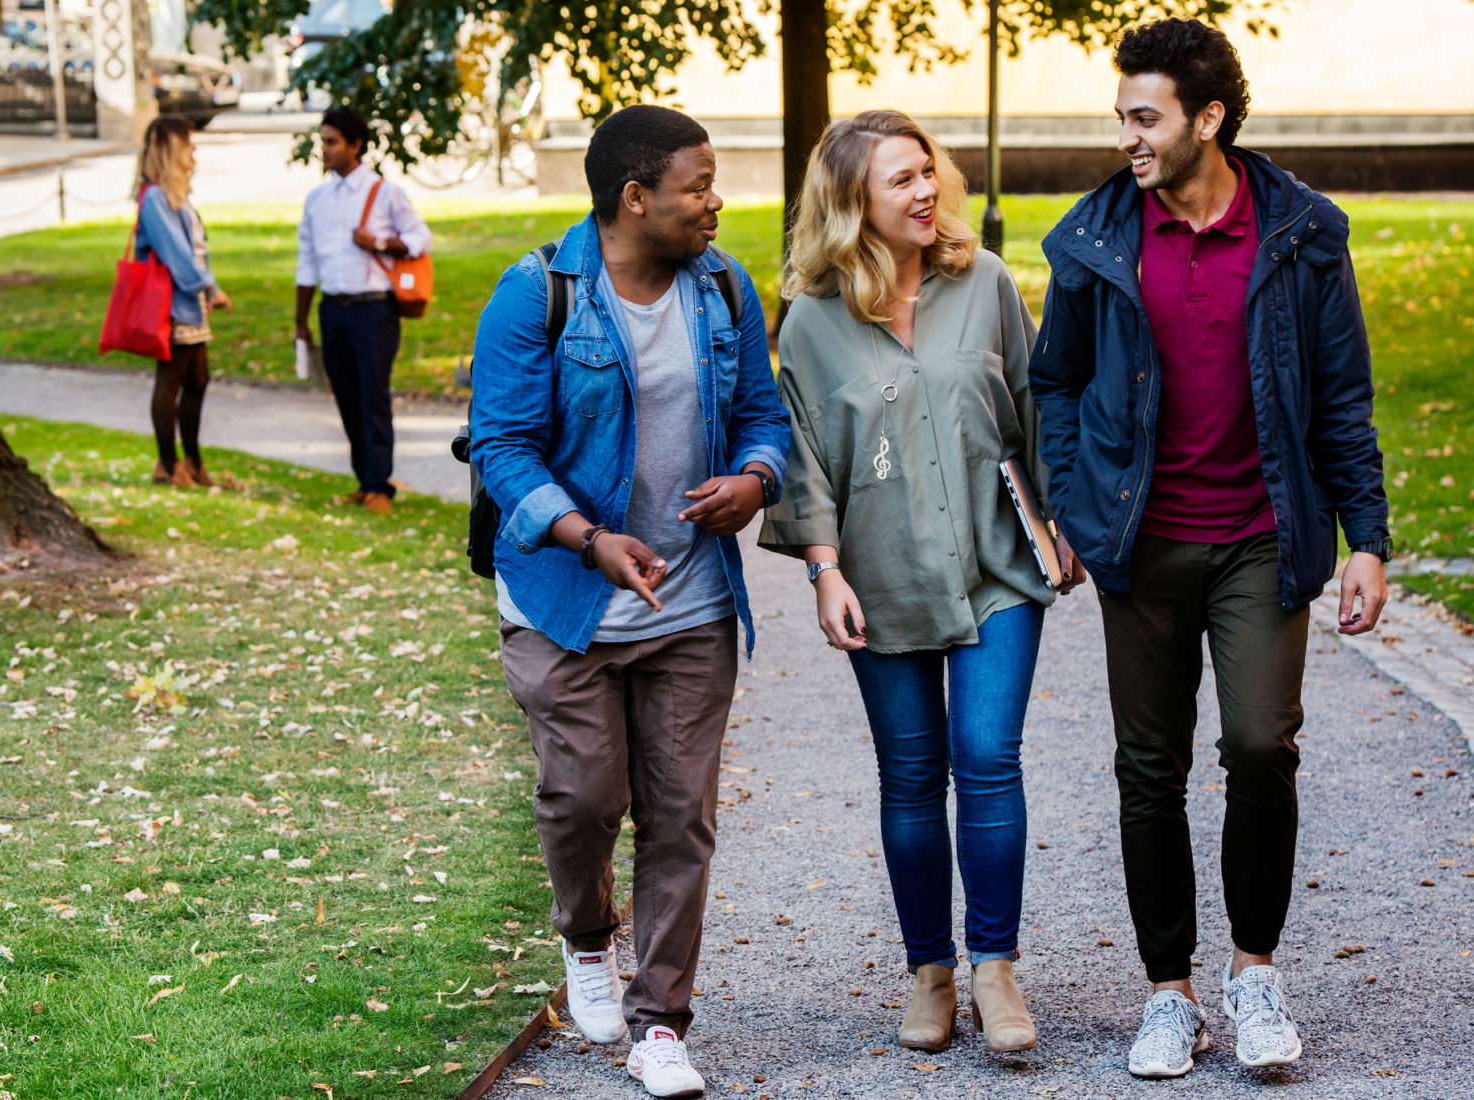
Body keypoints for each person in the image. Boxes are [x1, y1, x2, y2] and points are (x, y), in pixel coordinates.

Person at [1027, 18, 1392, 1078]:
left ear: (1210, 119)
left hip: (1260, 538)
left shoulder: (1303, 236)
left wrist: (1366, 536)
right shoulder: (1095, 240)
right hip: (1138, 542)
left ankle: (1256, 973)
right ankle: (1167, 994)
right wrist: (1070, 504)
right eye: (1123, 118)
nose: (1129, 138)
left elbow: (1342, 399)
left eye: (1146, 118)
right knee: (1149, 767)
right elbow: (1056, 379)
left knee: (1260, 745)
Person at [470, 105, 790, 1098]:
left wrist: (756, 478)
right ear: (634, 197)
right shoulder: (538, 293)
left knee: (680, 814)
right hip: (568, 600)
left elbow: (762, 415)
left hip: (690, 602)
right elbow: (501, 446)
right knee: (583, 795)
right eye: (698, 185)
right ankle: (583, 937)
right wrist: (587, 537)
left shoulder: (726, 288)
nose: (716, 201)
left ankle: (662, 1023)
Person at [758, 110, 1085, 1058]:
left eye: (926, 171)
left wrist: (1058, 520)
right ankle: (930, 973)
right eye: (899, 179)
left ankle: (995, 968)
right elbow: (808, 458)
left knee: (987, 757)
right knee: (910, 778)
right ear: (852, 202)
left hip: (996, 565)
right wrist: (823, 571)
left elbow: (1036, 404)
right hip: (883, 576)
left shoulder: (982, 283)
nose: (925, 190)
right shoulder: (812, 320)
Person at [294, 106, 432, 515]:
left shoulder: (384, 192)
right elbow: (307, 261)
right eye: (322, 141)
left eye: (332, 141)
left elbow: (420, 237)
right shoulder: (317, 200)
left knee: (373, 396)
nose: (325, 149)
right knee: (347, 398)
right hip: (332, 309)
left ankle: (380, 487)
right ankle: (364, 480)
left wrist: (379, 243)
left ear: (355, 145)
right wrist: (301, 321)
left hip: (374, 311)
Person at [133, 114, 231, 487]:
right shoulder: (156, 197)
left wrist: (206, 288)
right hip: (173, 305)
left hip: (189, 304)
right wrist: (209, 287)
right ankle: (169, 464)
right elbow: (177, 255)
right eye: (188, 144)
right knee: (172, 380)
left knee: (197, 380)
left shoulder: (175, 196)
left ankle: (191, 462)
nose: (194, 151)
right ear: (171, 150)